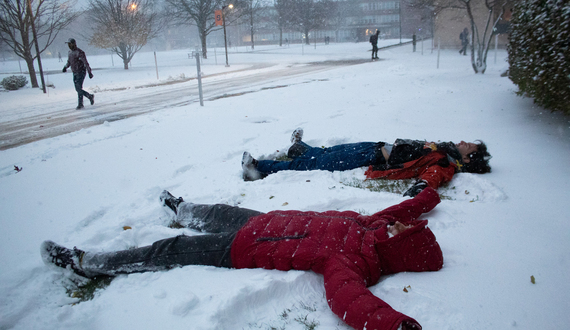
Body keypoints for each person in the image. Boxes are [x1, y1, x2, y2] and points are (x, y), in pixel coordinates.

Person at [41, 187, 443, 330]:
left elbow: (349, 299)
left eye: (401, 234)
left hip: (244, 251)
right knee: (216, 211)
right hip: (265, 222)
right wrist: (429, 196)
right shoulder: (372, 224)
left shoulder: (354, 264)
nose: (396, 227)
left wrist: (396, 324)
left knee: (170, 251)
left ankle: (89, 262)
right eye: (402, 227)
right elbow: (404, 209)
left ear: (397, 249)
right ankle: (183, 209)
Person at [242, 128, 491, 197]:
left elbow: (432, 176)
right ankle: (300, 148)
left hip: (370, 157)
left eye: (468, 145)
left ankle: (258, 168)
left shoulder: (446, 163)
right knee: (328, 152)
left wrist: (421, 188)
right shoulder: (445, 149)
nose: (462, 141)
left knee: (314, 164)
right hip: (375, 146)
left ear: (468, 159)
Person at [62, 38, 94, 110]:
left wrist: (89, 72)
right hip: (75, 72)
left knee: (78, 88)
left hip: (81, 72)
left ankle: (82, 102)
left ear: (74, 44)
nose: (69, 46)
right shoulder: (70, 53)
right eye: (68, 44)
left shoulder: (79, 52)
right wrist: (65, 67)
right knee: (78, 88)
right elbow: (69, 62)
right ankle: (88, 98)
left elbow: (85, 63)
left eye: (70, 44)